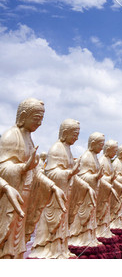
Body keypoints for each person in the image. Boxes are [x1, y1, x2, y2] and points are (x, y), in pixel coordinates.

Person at [0, 98, 66, 259]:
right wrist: (23, 168)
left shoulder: (28, 137)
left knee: (19, 237)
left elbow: (36, 172)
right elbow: (2, 168)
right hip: (11, 198)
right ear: (23, 116)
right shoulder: (11, 136)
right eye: (37, 119)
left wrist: (52, 186)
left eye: (42, 119)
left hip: (24, 198)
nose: (40, 123)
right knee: (8, 236)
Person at [29, 119, 95, 259]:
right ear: (65, 133)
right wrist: (69, 173)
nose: (77, 137)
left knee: (63, 224)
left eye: (78, 134)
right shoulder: (57, 148)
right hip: (55, 195)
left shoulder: (68, 149)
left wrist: (86, 186)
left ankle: (60, 249)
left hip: (65, 193)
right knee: (53, 223)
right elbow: (51, 173)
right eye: (75, 134)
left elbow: (73, 174)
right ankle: (48, 248)